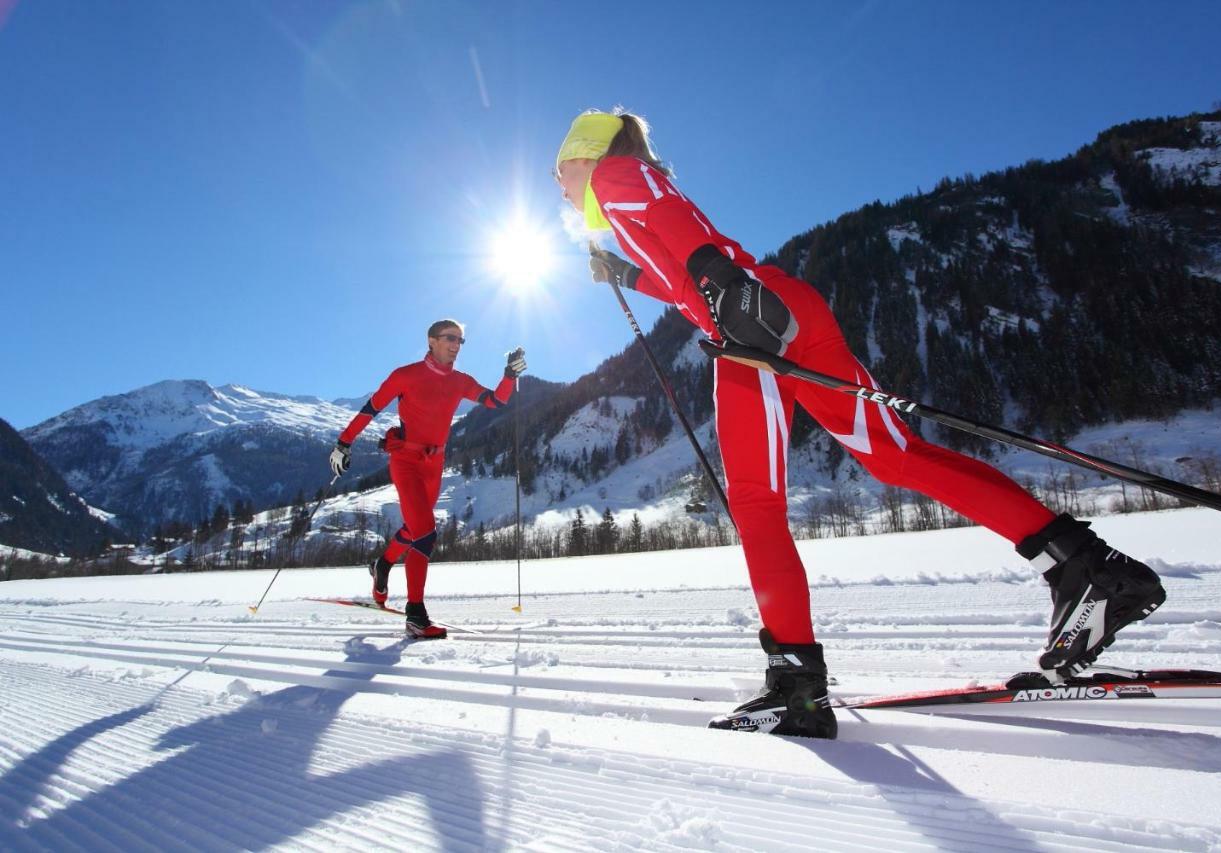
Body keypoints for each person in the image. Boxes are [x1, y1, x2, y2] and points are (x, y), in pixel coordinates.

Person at [554, 109, 1165, 738]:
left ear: (585, 155)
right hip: (787, 309)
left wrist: (723, 285)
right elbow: (680, 271)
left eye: (559, 170)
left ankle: (797, 689)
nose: (560, 186)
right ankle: (1082, 564)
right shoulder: (628, 197)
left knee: (757, 505)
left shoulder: (616, 175)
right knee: (895, 457)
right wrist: (633, 274)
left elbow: (680, 235)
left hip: (750, 332)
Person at [329, 319, 526, 639]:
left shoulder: (460, 380)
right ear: (431, 341)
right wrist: (343, 442)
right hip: (406, 461)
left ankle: (383, 564)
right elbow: (371, 408)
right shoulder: (405, 375)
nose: (456, 345)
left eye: (461, 340)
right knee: (425, 533)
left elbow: (495, 401)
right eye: (450, 338)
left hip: (435, 464)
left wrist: (508, 375)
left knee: (413, 529)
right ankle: (416, 615)